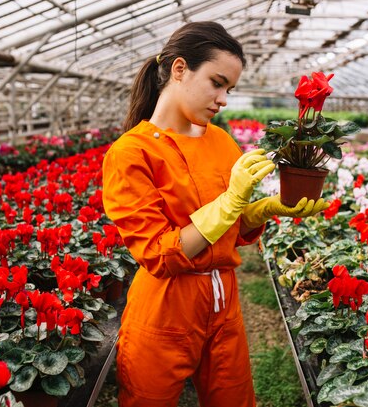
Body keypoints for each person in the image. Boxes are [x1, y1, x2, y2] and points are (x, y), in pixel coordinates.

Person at [102, 21, 329, 407]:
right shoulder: (131, 153)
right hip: (164, 309)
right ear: (179, 70)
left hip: (224, 304)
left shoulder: (221, 141)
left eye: (230, 89)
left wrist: (261, 211)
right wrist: (229, 203)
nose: (223, 98)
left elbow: (232, 231)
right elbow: (157, 253)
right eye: (217, 82)